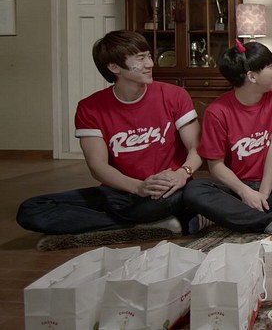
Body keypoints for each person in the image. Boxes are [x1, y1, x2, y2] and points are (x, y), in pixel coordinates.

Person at [17, 30, 201, 234]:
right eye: (140, 58)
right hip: (121, 191)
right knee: (31, 210)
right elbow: (97, 166)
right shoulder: (90, 108)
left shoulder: (175, 95)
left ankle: (121, 222)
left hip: (168, 189)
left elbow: (197, 148)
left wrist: (182, 174)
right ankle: (139, 225)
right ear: (114, 67)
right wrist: (138, 187)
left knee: (188, 196)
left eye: (149, 56)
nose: (150, 64)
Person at [183, 40, 272, 234]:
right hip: (237, 185)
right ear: (252, 76)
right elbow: (216, 166)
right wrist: (245, 192)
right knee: (194, 190)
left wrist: (262, 195)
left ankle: (222, 216)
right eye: (269, 66)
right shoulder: (217, 112)